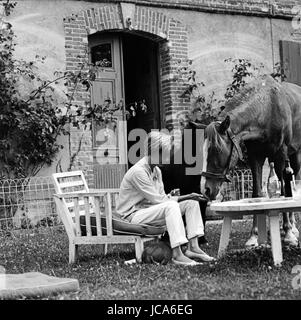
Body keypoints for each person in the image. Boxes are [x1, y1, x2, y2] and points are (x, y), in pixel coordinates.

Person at [117, 131, 215, 266]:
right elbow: (159, 201)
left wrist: (175, 196)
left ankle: (193, 247)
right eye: (166, 153)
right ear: (155, 151)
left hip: (149, 211)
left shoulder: (156, 170)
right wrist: (184, 196)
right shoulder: (138, 171)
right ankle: (177, 254)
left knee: (191, 203)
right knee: (173, 205)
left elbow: (161, 197)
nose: (168, 157)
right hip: (132, 216)